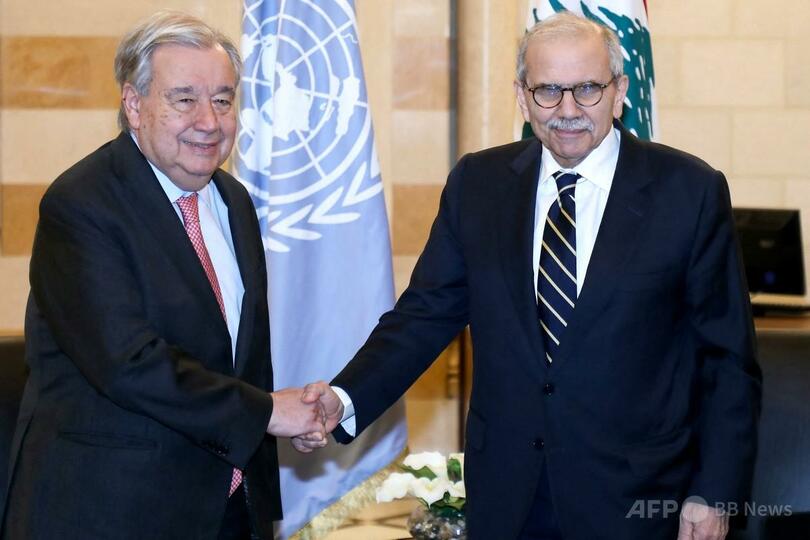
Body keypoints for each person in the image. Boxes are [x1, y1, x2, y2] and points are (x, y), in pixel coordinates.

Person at [298, 11, 761, 540]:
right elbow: (422, 317)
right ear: (522, 97)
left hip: (637, 500)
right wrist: (344, 398)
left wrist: (715, 493)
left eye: (587, 89)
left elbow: (727, 360)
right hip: (508, 498)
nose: (568, 110)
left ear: (619, 92)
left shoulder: (689, 191)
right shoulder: (479, 184)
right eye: (548, 91)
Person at [0, 11, 326, 540]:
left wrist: (284, 418)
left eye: (223, 100)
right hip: (114, 512)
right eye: (184, 99)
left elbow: (237, 358)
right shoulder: (82, 204)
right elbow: (128, 363)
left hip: (229, 510)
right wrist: (266, 413)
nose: (209, 121)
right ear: (134, 105)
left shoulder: (233, 201)